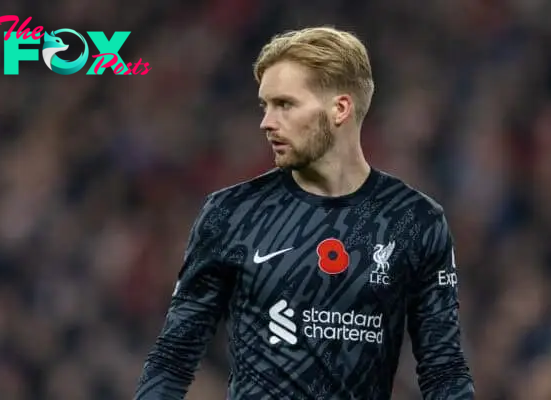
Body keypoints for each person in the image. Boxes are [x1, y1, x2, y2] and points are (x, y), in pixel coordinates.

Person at [134, 26, 474, 399]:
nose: (266, 122)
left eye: (285, 105)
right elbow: (173, 358)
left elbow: (443, 371)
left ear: (340, 108)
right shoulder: (232, 214)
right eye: (265, 106)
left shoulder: (414, 221)